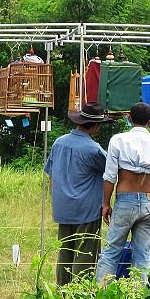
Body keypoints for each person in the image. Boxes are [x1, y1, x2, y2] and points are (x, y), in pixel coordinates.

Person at [95, 102, 150, 285]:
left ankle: (103, 295)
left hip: (125, 200)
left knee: (112, 251)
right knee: (143, 255)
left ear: (129, 118)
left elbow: (110, 176)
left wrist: (106, 204)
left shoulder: (118, 140)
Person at [44, 101, 113, 286]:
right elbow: (111, 172)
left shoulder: (59, 143)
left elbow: (50, 174)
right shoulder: (93, 149)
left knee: (65, 252)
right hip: (87, 210)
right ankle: (79, 296)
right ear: (96, 126)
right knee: (85, 254)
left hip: (63, 208)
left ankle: (62, 290)